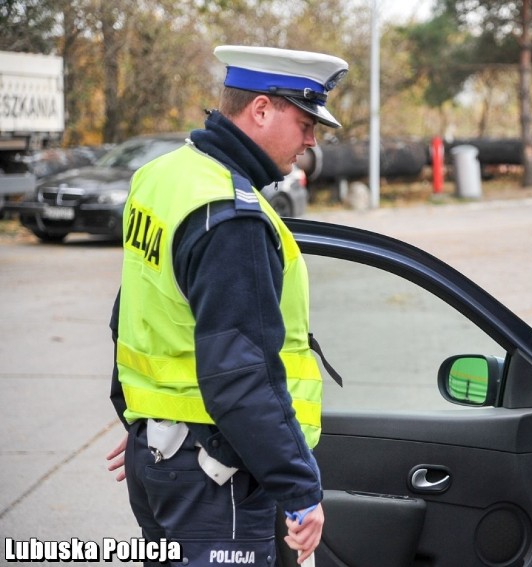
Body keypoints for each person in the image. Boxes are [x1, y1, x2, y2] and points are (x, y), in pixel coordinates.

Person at [105, 45, 348, 567]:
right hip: (216, 476)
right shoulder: (229, 215)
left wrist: (142, 426)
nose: (311, 141)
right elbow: (241, 376)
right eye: (306, 122)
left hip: (164, 462)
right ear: (260, 110)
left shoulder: (163, 176)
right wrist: (301, 489)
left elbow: (131, 313)